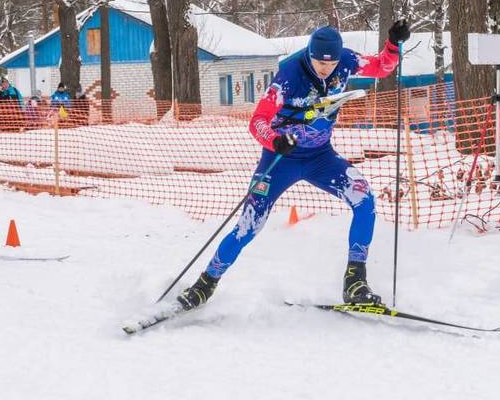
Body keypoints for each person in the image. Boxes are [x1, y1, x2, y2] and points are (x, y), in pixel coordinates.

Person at [176, 21, 411, 310]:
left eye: (331, 63)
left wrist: (392, 44)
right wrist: (275, 140)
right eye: (318, 62)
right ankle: (205, 284)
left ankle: (355, 282)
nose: (325, 69)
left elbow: (381, 67)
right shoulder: (289, 76)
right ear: (309, 54)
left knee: (364, 199)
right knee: (249, 225)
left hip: (320, 157)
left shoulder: (347, 61)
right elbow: (258, 120)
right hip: (280, 160)